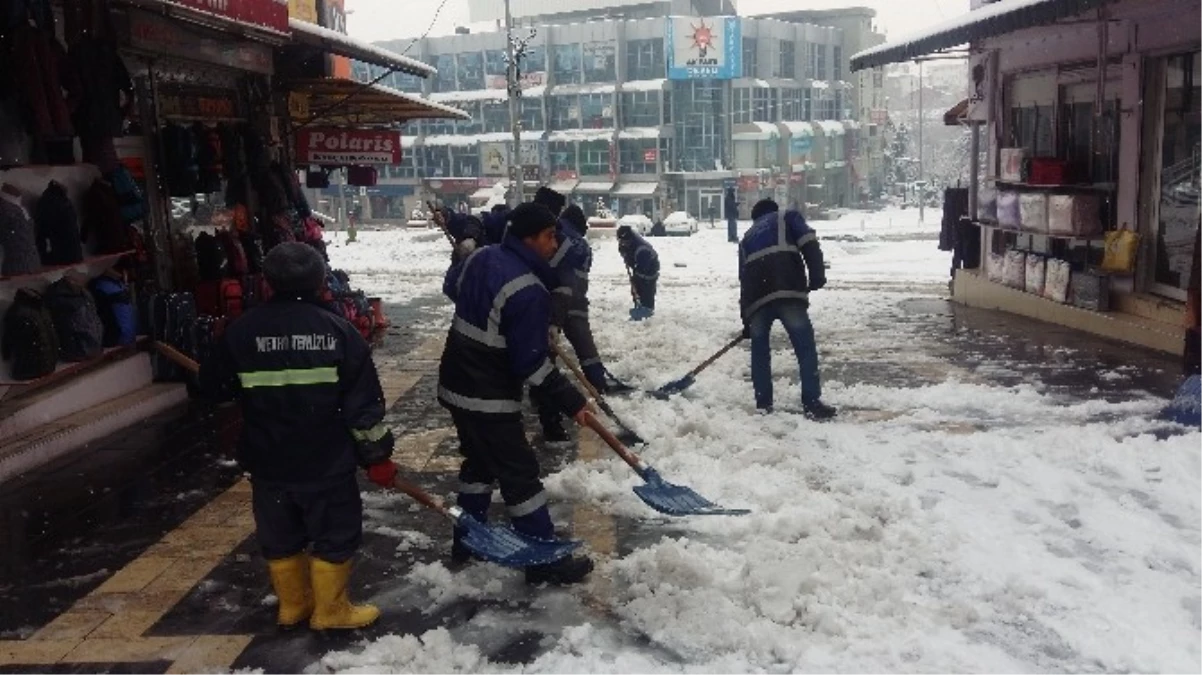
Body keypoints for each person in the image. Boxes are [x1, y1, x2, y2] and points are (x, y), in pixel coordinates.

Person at [199, 242, 398, 631]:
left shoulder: (242, 331)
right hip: (326, 461)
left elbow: (214, 389)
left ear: (268, 282)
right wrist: (377, 456)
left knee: (280, 534)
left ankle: (293, 606)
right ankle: (331, 611)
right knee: (335, 533)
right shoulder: (339, 331)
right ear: (321, 280)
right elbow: (363, 406)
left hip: (268, 460)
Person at [438, 202, 595, 585]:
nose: (553, 243)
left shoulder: (484, 257)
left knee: (478, 464)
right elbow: (532, 366)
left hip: (456, 383)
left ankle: (468, 539)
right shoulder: (527, 290)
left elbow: (451, 287)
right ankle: (542, 560)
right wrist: (573, 401)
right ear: (529, 238)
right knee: (519, 474)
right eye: (548, 236)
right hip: (487, 395)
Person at [738, 199, 836, 420]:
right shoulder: (787, 217)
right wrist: (817, 274)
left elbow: (743, 280)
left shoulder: (746, 238)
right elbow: (809, 242)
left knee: (760, 351)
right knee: (804, 346)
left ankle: (764, 404)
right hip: (786, 286)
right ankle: (811, 402)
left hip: (757, 298)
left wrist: (746, 320)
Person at [617, 224, 660, 312]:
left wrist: (632, 264)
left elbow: (643, 269)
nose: (621, 243)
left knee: (646, 291)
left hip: (649, 272)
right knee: (636, 286)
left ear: (629, 239)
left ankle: (647, 308)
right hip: (640, 268)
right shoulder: (628, 244)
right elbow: (625, 253)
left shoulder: (642, 249)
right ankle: (639, 304)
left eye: (623, 241)